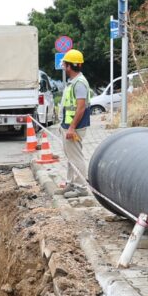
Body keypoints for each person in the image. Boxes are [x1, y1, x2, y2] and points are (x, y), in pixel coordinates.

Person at [59, 49, 91, 194]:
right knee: (70, 156)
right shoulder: (73, 82)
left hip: (75, 126)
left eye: (65, 64)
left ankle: (81, 187)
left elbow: (81, 107)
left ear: (69, 66)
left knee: (76, 156)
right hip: (69, 124)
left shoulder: (79, 83)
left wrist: (71, 128)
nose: (64, 67)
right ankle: (71, 183)